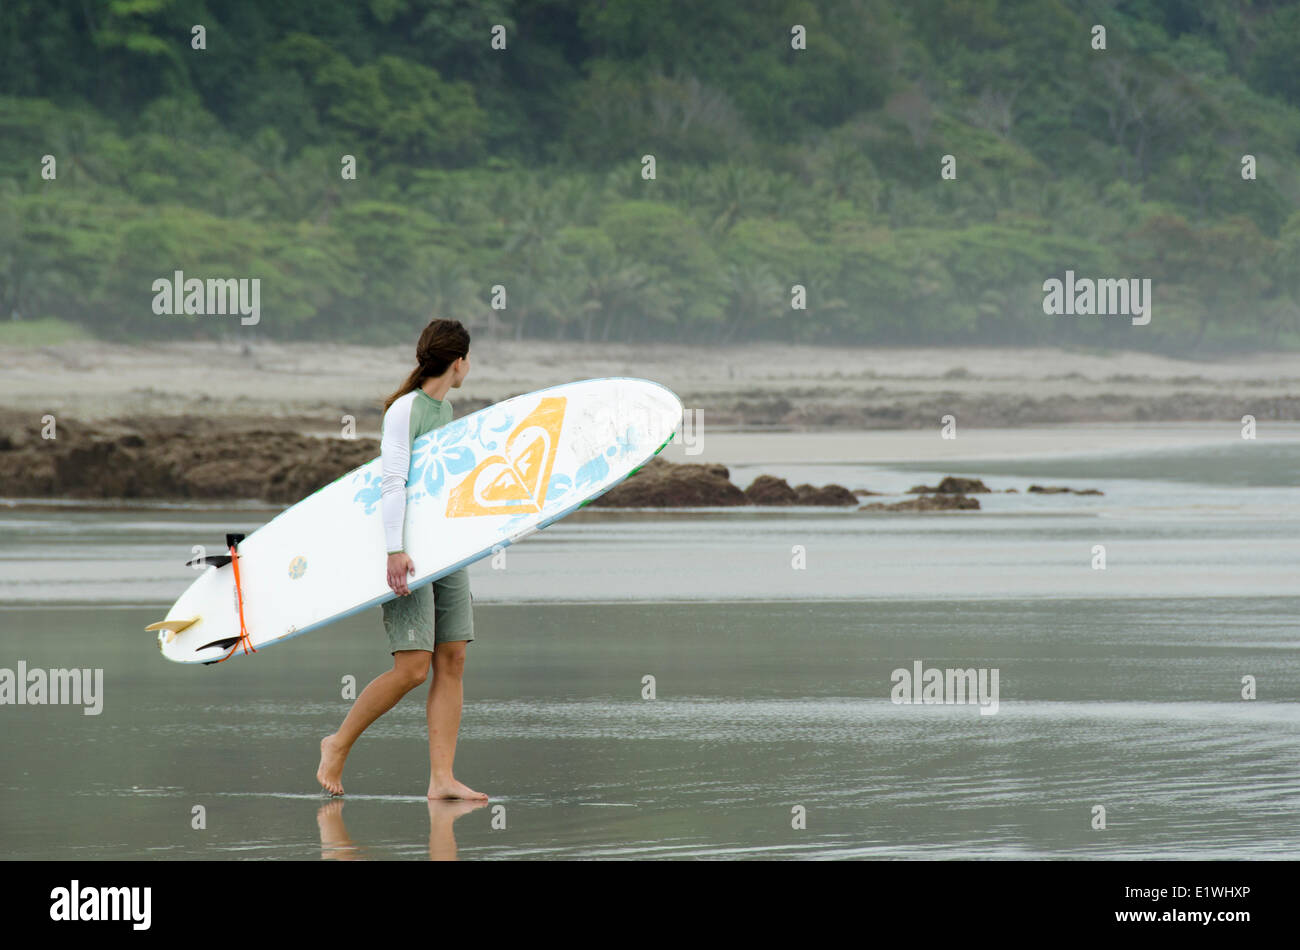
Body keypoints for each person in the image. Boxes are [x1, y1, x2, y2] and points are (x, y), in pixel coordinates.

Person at [316, 318, 487, 801]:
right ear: (459, 362)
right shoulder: (406, 410)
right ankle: (337, 742)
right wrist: (394, 549)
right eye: (468, 359)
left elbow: (440, 486)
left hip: (446, 548)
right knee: (413, 667)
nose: (468, 367)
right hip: (406, 551)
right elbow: (392, 483)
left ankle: (441, 780)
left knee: (452, 658)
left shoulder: (445, 409)